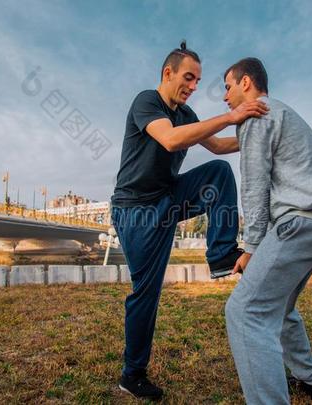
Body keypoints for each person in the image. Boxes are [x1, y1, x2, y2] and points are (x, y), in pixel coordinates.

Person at [111, 42, 268, 400]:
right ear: (168, 73)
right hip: (135, 210)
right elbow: (169, 140)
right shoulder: (146, 102)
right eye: (188, 78)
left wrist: (258, 131)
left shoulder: (187, 113)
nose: (194, 86)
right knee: (146, 294)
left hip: (167, 198)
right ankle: (132, 374)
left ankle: (221, 255)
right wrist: (230, 116)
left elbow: (217, 146)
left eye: (198, 80)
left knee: (218, 173)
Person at [222, 57, 312, 405]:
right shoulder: (280, 112)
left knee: (245, 311)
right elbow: (219, 146)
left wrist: (250, 247)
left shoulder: (256, 115)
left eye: (228, 86)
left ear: (246, 83)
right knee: (280, 303)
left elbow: (254, 186)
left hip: (302, 221)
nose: (224, 96)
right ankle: (311, 379)